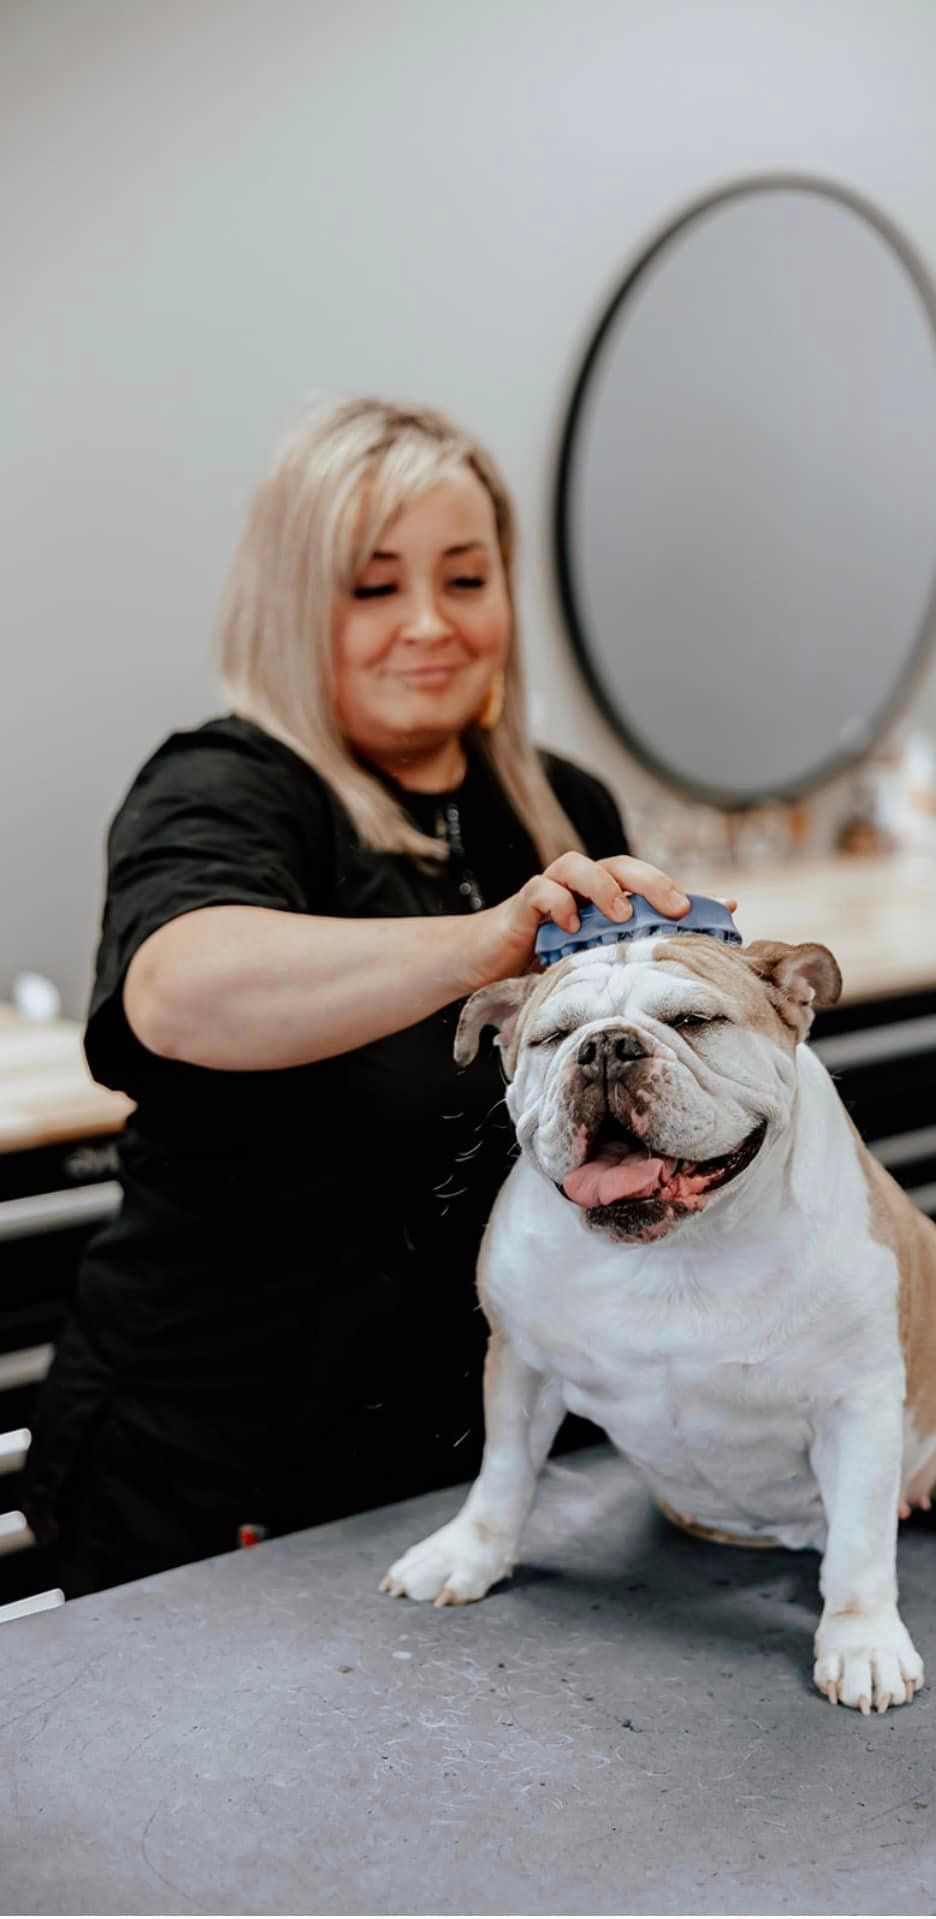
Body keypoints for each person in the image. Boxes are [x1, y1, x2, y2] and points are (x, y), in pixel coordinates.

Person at [23, 397, 693, 1598]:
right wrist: (484, 947)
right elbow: (180, 986)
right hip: (219, 1466)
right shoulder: (225, 786)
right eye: (373, 586)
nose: (429, 625)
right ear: (293, 603)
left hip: (469, 1457)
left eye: (466, 577)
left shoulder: (560, 807)